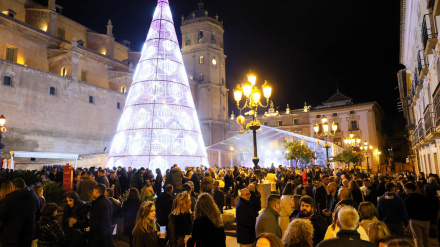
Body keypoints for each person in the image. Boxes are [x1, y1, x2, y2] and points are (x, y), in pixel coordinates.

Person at [0, 178, 42, 246]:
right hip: (29, 233)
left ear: (13, 187)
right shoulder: (35, 197)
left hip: (11, 235)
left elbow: (1, 214)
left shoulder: (9, 198)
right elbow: (39, 212)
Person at [403, 182, 430, 247]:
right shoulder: (423, 197)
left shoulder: (407, 199)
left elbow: (406, 211)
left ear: (409, 189)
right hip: (425, 220)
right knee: (426, 237)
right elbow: (428, 208)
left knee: (417, 238)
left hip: (414, 220)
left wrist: (406, 222)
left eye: (405, 189)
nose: (405, 190)